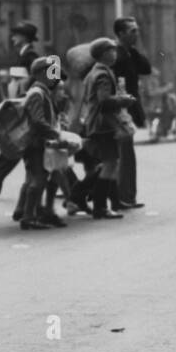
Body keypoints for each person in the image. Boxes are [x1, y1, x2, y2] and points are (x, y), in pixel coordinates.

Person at [0, 21, 39, 199]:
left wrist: (26, 88)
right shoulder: (23, 53)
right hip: (21, 103)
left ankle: (73, 189)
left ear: (24, 37)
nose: (12, 38)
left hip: (26, 105)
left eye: (16, 35)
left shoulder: (31, 54)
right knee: (15, 143)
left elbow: (38, 73)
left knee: (17, 143)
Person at [78, 37, 131, 220]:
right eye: (112, 50)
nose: (115, 54)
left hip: (96, 124)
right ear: (104, 54)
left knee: (108, 164)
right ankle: (100, 207)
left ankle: (85, 198)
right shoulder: (102, 74)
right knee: (110, 165)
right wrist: (125, 100)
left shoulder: (94, 72)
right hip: (104, 125)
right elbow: (104, 100)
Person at [17, 57, 64, 230]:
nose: (55, 75)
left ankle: (40, 213)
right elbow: (37, 121)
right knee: (38, 180)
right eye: (52, 71)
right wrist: (54, 133)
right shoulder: (37, 93)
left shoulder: (43, 91)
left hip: (41, 142)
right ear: (40, 74)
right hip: (35, 143)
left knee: (46, 177)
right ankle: (28, 217)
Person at [112, 16, 152, 207]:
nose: (137, 34)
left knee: (125, 154)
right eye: (132, 31)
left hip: (127, 108)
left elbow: (147, 68)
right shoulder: (117, 56)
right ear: (121, 34)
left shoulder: (129, 54)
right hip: (120, 109)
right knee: (124, 155)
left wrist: (134, 49)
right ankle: (124, 196)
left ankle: (126, 195)